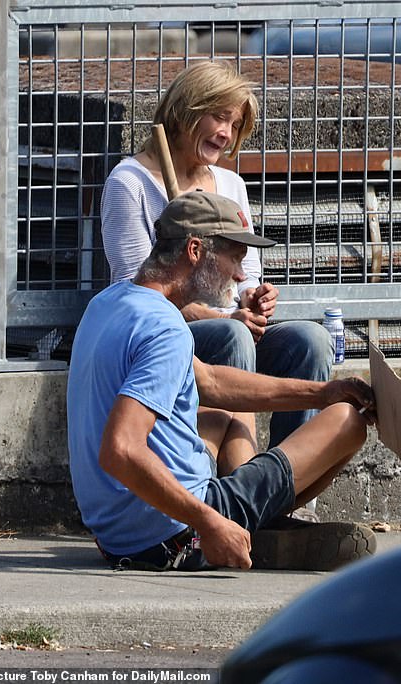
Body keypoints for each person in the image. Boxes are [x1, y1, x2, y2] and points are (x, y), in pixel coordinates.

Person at [68, 191, 376, 571]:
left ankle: (245, 524)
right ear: (195, 251)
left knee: (221, 415)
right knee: (348, 422)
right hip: (174, 535)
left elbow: (211, 381)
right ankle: (239, 530)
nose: (240, 274)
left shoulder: (108, 303)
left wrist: (324, 392)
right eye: (234, 257)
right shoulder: (165, 329)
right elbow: (120, 450)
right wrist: (208, 521)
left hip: (115, 536)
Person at [100, 61, 331, 493]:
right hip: (174, 338)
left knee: (310, 342)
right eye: (219, 117)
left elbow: (244, 276)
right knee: (232, 339)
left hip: (232, 328)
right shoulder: (129, 182)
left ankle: (292, 491)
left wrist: (254, 298)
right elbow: (133, 294)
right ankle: (229, 488)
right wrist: (221, 319)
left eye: (235, 123)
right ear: (189, 110)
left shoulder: (230, 183)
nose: (226, 133)